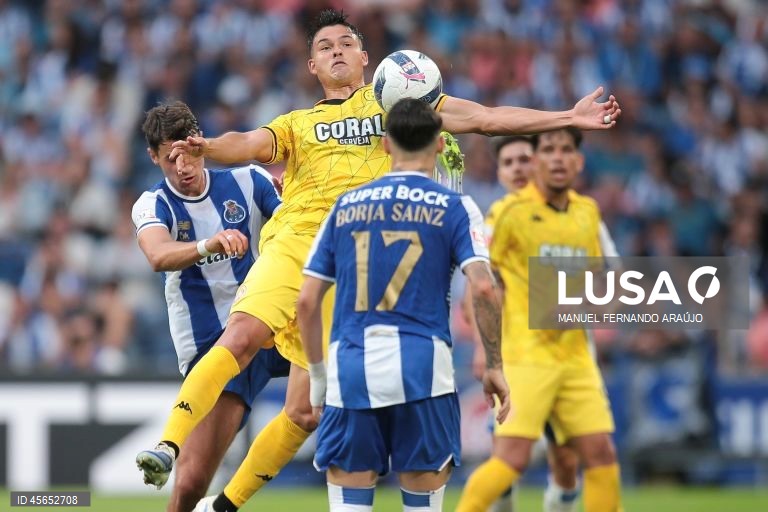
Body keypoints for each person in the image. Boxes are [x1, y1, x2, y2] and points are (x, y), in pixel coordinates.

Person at [137, 9, 621, 509]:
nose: (337, 51)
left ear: (367, 58)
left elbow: (483, 118)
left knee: (305, 412)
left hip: (360, 263)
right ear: (312, 67)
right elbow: (250, 143)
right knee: (241, 337)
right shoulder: (298, 124)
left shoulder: (397, 102)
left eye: (346, 42)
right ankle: (166, 445)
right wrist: (209, 146)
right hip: (301, 239)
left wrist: (568, 116)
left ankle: (224, 506)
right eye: (325, 47)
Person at [298, 97, 509, 512]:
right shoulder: (456, 207)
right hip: (424, 372)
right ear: (438, 145)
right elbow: (484, 289)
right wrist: (496, 364)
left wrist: (319, 378)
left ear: (385, 145)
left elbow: (307, 300)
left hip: (352, 369)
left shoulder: (344, 206)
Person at [131, 102, 291, 511]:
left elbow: (294, 222)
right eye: (170, 158)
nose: (183, 166)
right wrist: (209, 244)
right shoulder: (153, 205)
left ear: (200, 139)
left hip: (270, 320)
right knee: (191, 483)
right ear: (154, 157)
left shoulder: (250, 180)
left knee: (324, 391)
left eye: (189, 152)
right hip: (213, 341)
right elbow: (157, 255)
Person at [456, 127, 623, 512]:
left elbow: (606, 276)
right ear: (538, 162)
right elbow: (479, 279)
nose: (558, 158)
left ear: (579, 162)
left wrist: (602, 300)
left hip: (577, 357)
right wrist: (485, 347)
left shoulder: (588, 212)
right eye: (549, 150)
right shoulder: (509, 214)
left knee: (598, 454)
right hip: (525, 355)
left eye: (567, 151)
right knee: (511, 458)